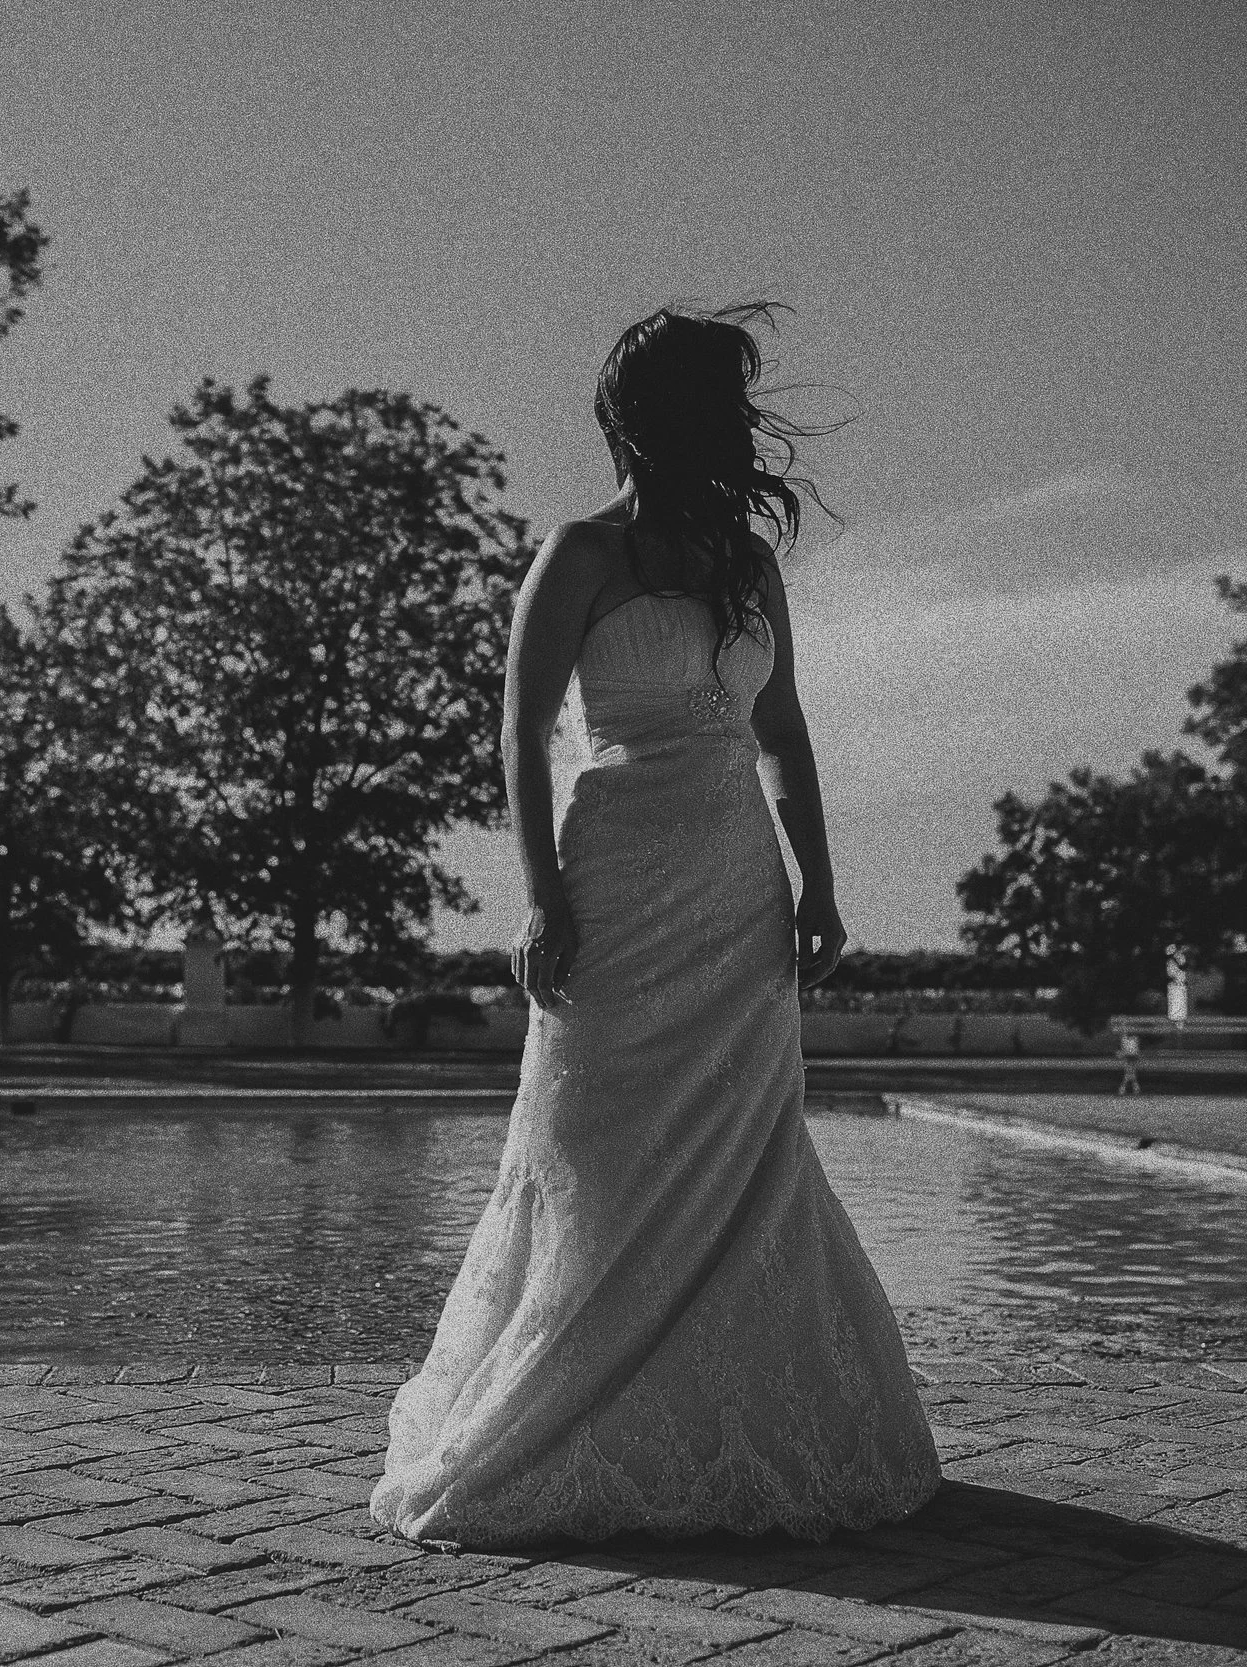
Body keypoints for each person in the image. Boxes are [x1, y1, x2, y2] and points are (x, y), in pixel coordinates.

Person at [370, 304, 940, 1549]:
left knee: (747, 1149)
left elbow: (780, 732)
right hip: (617, 876)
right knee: (596, 1142)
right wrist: (540, 893)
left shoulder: (748, 563)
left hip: (738, 884)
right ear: (656, 419)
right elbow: (520, 733)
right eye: (716, 404)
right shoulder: (578, 551)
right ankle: (564, 1408)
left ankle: (740, 1417)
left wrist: (822, 884)